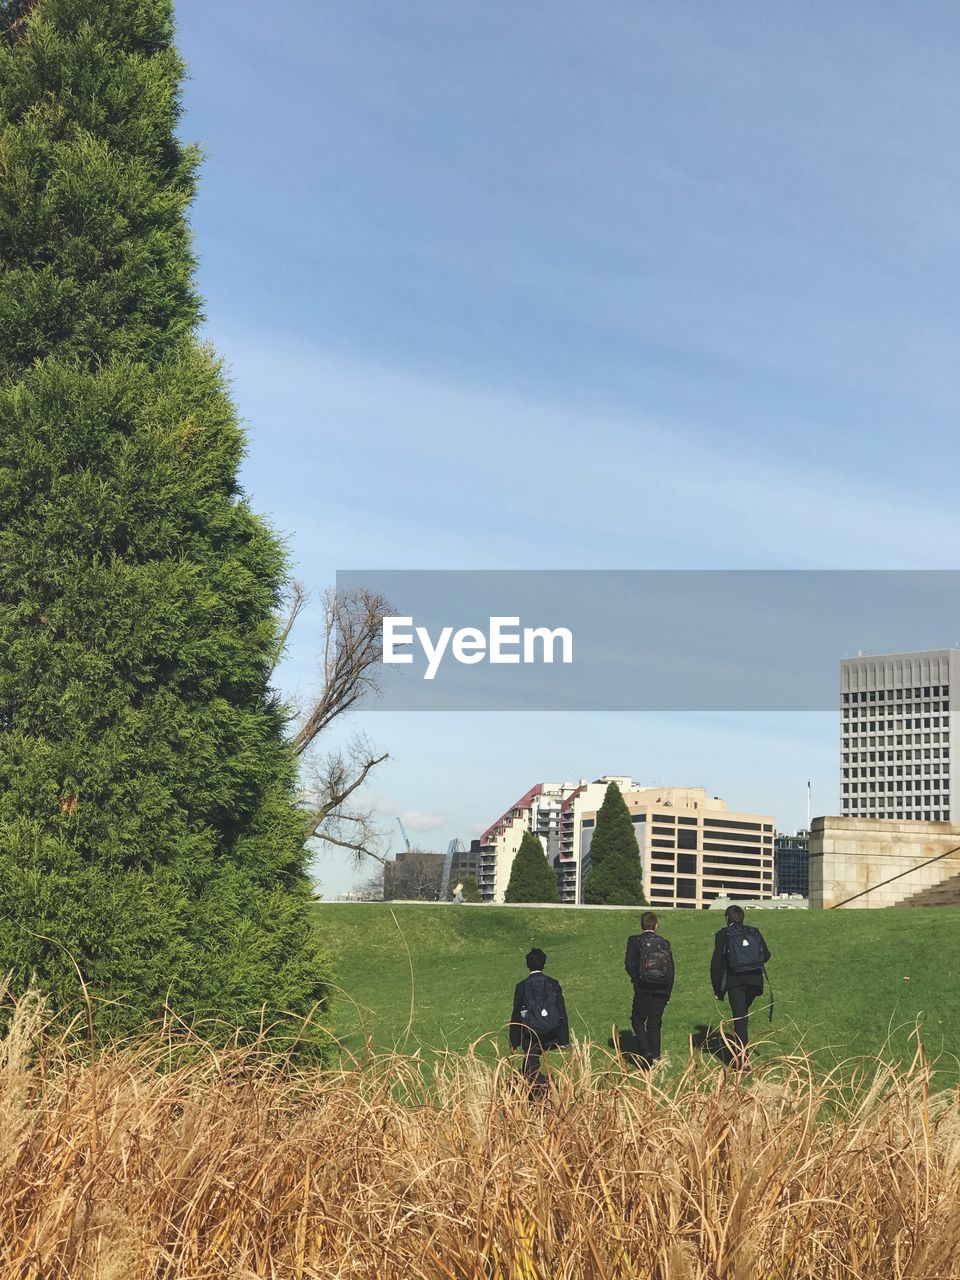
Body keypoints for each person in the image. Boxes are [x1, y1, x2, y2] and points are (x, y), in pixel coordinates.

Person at [711, 903, 771, 1071]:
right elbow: (766, 955)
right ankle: (741, 1056)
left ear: (726, 918)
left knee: (740, 1020)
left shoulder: (723, 934)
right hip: (755, 982)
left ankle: (742, 1063)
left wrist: (718, 990)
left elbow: (717, 963)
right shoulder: (754, 931)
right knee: (742, 1017)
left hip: (735, 982)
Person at [509, 947, 569, 1097]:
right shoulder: (553, 983)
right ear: (544, 964)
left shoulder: (522, 986)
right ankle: (537, 1095)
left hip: (532, 1034)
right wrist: (564, 1040)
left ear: (528, 965)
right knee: (527, 1067)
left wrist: (513, 1042)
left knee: (530, 1068)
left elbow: (516, 1014)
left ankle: (543, 1088)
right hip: (552, 1032)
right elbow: (561, 1011)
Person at [624, 911, 675, 1067]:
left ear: (641, 925)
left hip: (643, 987)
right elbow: (671, 969)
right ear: (656, 925)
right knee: (655, 1022)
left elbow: (629, 964)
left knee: (637, 1019)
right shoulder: (664, 943)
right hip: (662, 988)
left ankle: (646, 1052)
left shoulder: (635, 941)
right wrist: (668, 992)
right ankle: (657, 1056)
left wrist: (636, 979)